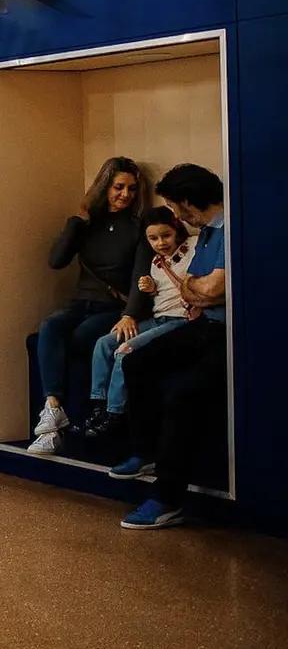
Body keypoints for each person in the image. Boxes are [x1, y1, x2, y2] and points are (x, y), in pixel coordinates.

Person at [114, 164, 228, 530]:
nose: (176, 216)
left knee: (182, 393)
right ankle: (144, 452)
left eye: (177, 208)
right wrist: (198, 287)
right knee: (135, 361)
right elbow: (189, 288)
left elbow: (212, 290)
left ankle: (167, 498)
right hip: (202, 323)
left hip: (227, 332)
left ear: (188, 202)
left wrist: (199, 288)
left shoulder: (227, 230)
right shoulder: (207, 235)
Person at [26, 157, 145, 455]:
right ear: (105, 187)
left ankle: (60, 423)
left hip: (112, 309)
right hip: (81, 302)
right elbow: (56, 261)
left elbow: (139, 276)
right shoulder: (89, 223)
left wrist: (130, 313)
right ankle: (53, 407)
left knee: (81, 338)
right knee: (50, 327)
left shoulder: (138, 227)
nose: (125, 195)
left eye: (132, 189)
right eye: (119, 187)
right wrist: (76, 221)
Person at [80, 206, 197, 440]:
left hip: (179, 320)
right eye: (153, 238)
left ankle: (115, 413)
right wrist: (151, 289)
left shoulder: (193, 247)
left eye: (166, 235)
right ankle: (98, 406)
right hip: (156, 317)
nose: (161, 243)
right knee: (104, 343)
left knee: (125, 350)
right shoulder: (155, 262)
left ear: (176, 230)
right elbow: (159, 295)